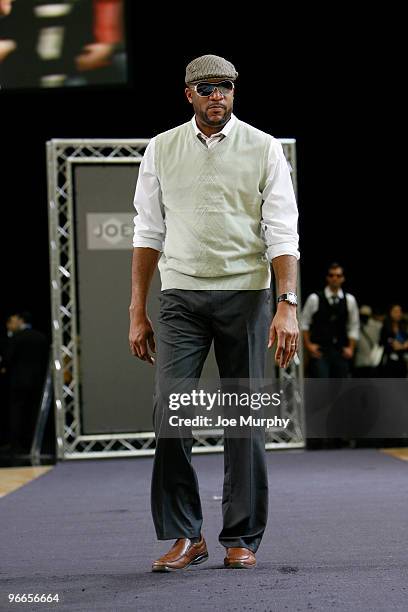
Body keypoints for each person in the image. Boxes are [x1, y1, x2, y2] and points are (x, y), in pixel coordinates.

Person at [129, 54, 300, 571]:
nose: (216, 96)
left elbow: (283, 232)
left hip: (247, 296)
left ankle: (241, 536)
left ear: (234, 92)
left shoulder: (264, 148)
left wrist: (287, 304)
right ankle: (185, 535)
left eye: (225, 87)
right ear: (189, 94)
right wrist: (138, 309)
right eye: (206, 88)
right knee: (169, 411)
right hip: (180, 296)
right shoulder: (161, 148)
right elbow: (146, 233)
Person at [1, 311, 48, 455]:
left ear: (20, 320)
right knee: (34, 412)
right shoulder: (41, 337)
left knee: (17, 412)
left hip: (18, 381)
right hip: (38, 381)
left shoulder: (16, 338)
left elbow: (8, 359)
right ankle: (34, 443)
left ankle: (16, 444)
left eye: (12, 320)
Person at [301, 262, 359, 377]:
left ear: (343, 278)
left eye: (338, 276)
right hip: (320, 351)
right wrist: (309, 345)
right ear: (327, 278)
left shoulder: (349, 300)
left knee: (339, 388)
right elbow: (304, 323)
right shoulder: (315, 298)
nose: (335, 278)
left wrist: (351, 348)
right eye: (332, 275)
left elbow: (354, 325)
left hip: (341, 350)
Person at [353, 305, 383, 377]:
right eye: (363, 315)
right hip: (359, 360)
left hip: (373, 359)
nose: (364, 317)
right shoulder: (356, 325)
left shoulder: (377, 325)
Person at [379, 304, 408, 377]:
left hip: (402, 361)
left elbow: (405, 343)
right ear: (390, 312)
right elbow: (383, 343)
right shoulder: (385, 327)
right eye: (396, 311)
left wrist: (402, 346)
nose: (398, 314)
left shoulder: (404, 327)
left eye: (400, 311)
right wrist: (400, 345)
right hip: (388, 362)